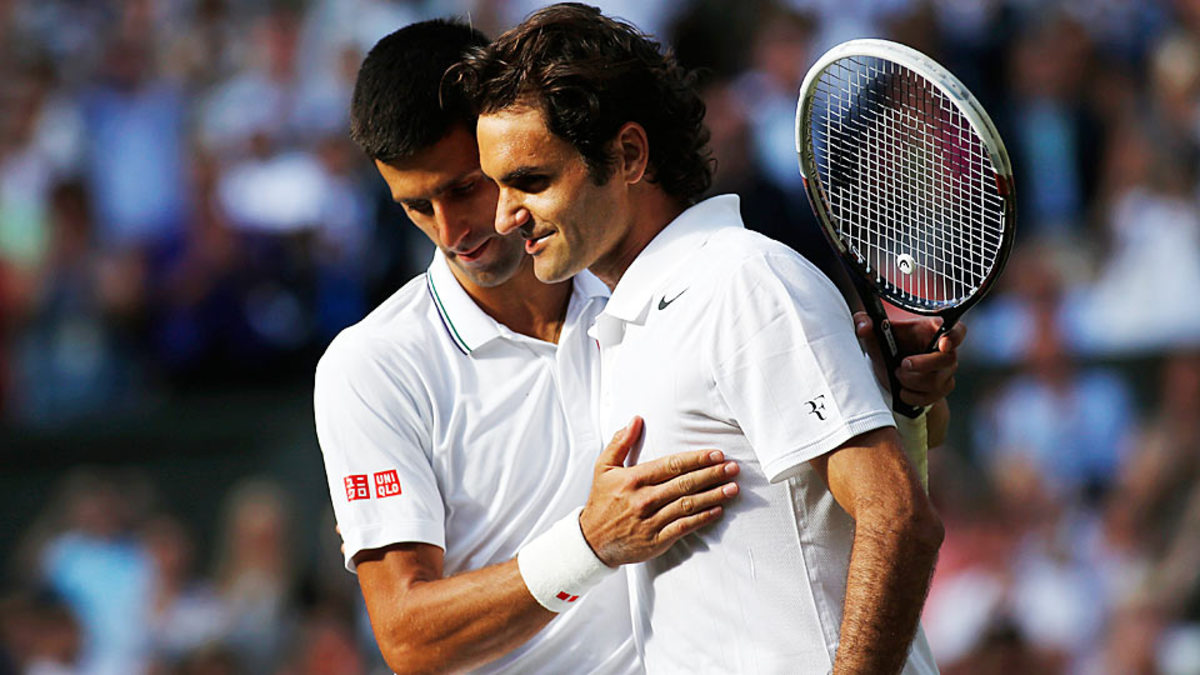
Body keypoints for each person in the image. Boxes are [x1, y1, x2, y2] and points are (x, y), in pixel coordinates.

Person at [318, 16, 961, 675]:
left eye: (491, 183)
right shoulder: (622, 311)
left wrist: (907, 399)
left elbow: (892, 512)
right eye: (415, 206)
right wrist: (589, 543)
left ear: (627, 155)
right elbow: (407, 636)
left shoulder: (729, 280)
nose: (462, 227)